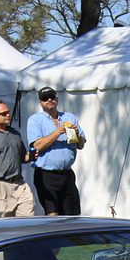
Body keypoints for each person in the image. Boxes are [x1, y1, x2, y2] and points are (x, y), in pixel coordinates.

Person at [26, 87, 85, 215]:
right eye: (45, 98)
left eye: (52, 97)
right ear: (40, 102)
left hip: (67, 174)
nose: (49, 100)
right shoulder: (35, 120)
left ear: (57, 99)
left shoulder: (69, 117)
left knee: (72, 217)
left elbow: (80, 145)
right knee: (53, 215)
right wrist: (59, 131)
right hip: (46, 175)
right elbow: (37, 145)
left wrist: (77, 135)